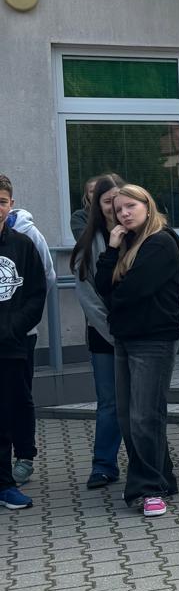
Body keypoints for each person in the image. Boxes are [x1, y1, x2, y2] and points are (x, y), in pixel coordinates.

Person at [94, 184, 179, 516]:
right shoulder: (128, 243)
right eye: (118, 209)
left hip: (154, 339)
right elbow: (103, 287)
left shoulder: (161, 242)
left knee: (145, 416)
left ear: (147, 205)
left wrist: (114, 298)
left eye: (130, 206)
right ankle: (163, 477)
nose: (124, 214)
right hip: (125, 337)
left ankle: (148, 489)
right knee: (129, 417)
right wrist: (111, 248)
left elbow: (132, 292)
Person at [68, 173, 126, 489]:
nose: (114, 207)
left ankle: (147, 465)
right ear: (96, 205)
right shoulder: (88, 244)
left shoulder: (139, 236)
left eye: (118, 200)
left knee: (138, 403)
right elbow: (88, 296)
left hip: (137, 334)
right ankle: (104, 465)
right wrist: (112, 332)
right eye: (107, 201)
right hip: (104, 336)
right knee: (109, 404)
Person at [0, 175, 56, 487]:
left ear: (11, 203)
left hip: (19, 337)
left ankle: (24, 456)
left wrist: (15, 325)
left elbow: (41, 283)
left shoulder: (26, 239)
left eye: (2, 201)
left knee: (19, 398)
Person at [71, 176, 100, 243]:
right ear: (87, 195)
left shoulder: (115, 213)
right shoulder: (79, 216)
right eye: (92, 191)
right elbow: (84, 241)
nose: (95, 194)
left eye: (98, 190)